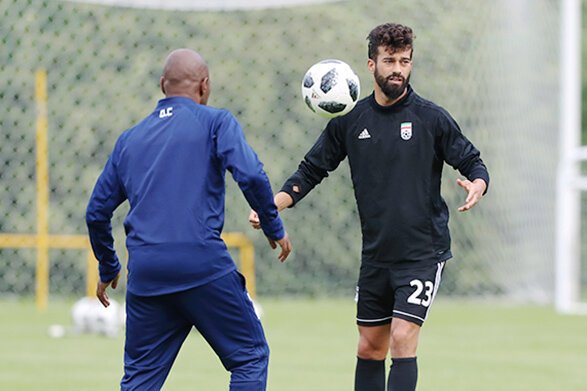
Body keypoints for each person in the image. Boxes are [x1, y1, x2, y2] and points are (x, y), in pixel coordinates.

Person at [249, 23, 489, 391]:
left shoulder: (431, 118)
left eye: (405, 61)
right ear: (371, 64)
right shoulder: (350, 119)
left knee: (403, 337)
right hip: (377, 255)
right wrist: (273, 205)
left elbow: (472, 161)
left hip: (422, 253)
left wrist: (477, 184)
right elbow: (312, 169)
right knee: (369, 346)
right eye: (389, 60)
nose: (398, 68)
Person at [86, 48, 292, 391]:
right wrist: (273, 225)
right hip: (201, 266)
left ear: (162, 85)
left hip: (147, 273)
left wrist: (108, 267)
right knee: (250, 356)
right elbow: (252, 176)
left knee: (140, 379)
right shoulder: (216, 122)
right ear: (205, 86)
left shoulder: (129, 141)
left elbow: (96, 213)